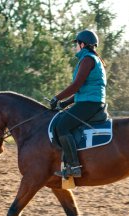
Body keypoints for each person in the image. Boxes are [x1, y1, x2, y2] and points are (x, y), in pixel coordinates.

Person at [50, 29, 107, 178]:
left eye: (77, 44)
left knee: (62, 126)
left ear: (82, 44)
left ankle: (73, 166)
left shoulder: (87, 59)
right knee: (63, 121)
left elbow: (76, 85)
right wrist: (64, 104)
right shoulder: (92, 58)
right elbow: (82, 90)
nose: (75, 47)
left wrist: (57, 98)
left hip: (90, 103)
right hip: (89, 101)